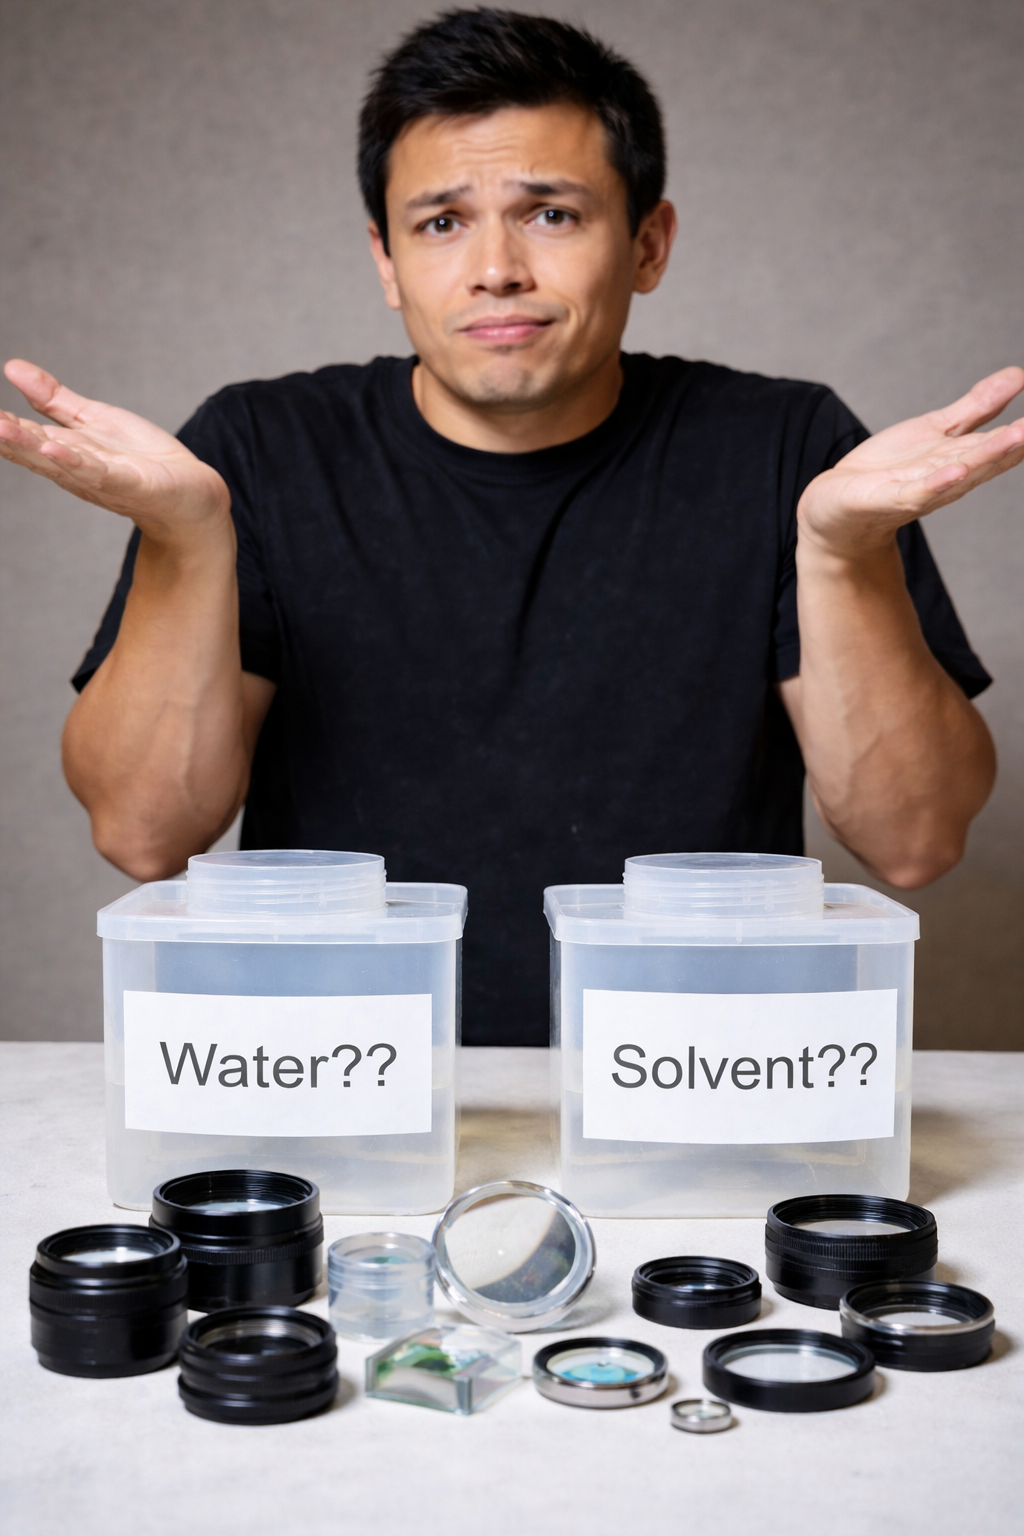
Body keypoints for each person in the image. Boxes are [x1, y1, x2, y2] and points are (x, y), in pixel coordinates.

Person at [0, 10, 1019, 1046]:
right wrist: (187, 542)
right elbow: (141, 834)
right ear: (386, 259)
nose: (495, 268)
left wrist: (840, 558)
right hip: (341, 1075)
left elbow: (913, 840)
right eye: (440, 222)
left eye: (551, 215)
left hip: (693, 1077)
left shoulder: (786, 446)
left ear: (648, 243)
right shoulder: (257, 448)